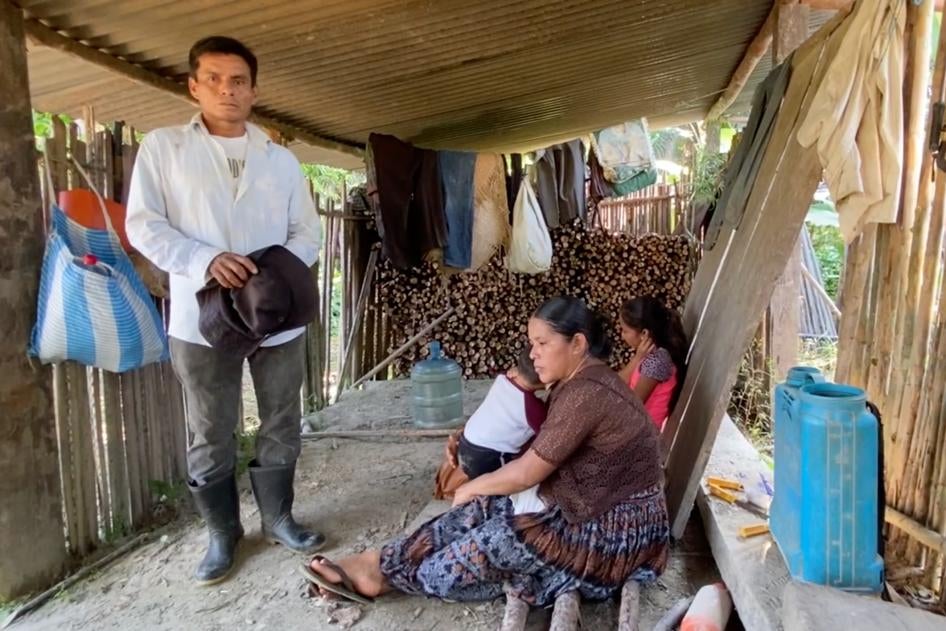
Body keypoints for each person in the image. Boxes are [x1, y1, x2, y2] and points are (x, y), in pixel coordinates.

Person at [300, 297, 668, 607]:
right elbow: (536, 447)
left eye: (542, 343)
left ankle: (391, 576)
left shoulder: (586, 393)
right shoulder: (582, 383)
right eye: (531, 343)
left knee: (452, 560)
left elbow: (527, 472)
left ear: (578, 344)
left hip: (612, 533)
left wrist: (473, 486)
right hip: (581, 505)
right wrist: (471, 443)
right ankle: (376, 564)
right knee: (476, 513)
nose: (533, 354)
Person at [125, 35, 324, 585]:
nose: (226, 89)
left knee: (281, 416)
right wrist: (205, 259)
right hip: (200, 314)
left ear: (254, 90)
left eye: (237, 80)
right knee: (209, 426)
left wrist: (275, 270)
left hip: (274, 313)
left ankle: (279, 518)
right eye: (212, 78)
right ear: (193, 86)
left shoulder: (280, 160)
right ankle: (222, 533)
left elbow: (307, 230)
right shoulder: (164, 149)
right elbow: (144, 224)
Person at [455, 347, 547, 478]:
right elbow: (547, 435)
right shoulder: (533, 408)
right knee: (503, 480)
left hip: (465, 443)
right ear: (544, 380)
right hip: (487, 456)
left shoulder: (503, 378)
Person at [618, 296, 689, 432]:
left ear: (644, 333)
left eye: (625, 331)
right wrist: (637, 357)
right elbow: (616, 382)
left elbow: (631, 406)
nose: (622, 336)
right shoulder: (647, 355)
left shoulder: (658, 360)